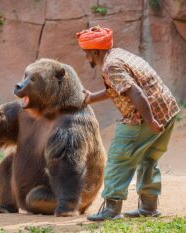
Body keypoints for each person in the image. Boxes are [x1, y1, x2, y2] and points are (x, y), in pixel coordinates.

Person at [76, 26, 180, 221]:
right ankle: (149, 207)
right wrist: (91, 98)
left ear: (95, 51)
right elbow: (120, 88)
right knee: (148, 159)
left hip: (145, 116)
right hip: (168, 109)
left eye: (87, 53)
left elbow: (136, 93)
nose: (86, 58)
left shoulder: (110, 66)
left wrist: (151, 121)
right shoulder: (119, 55)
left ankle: (111, 209)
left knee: (118, 158)